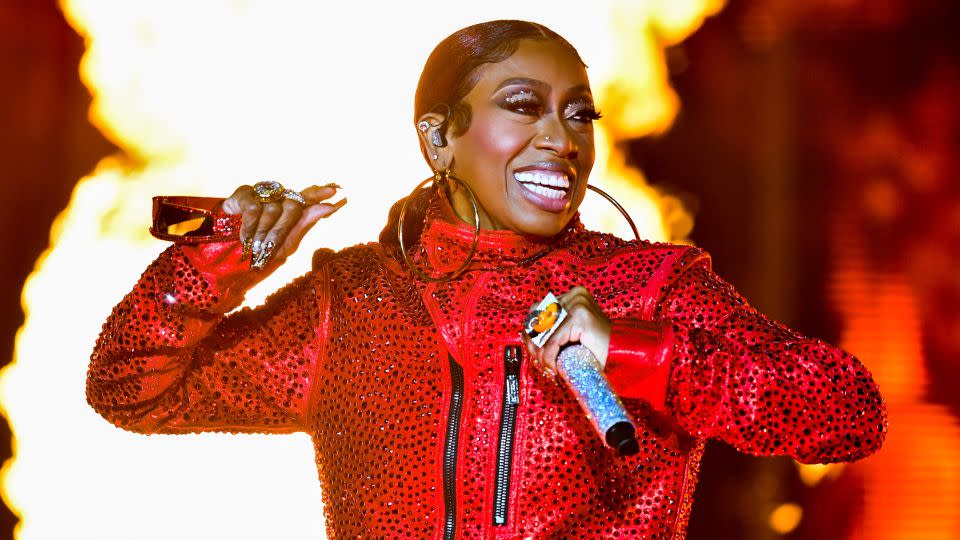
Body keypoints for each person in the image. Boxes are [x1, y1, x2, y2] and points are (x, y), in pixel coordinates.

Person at [86, 20, 887, 539]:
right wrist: (220, 255)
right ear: (439, 138)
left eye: (578, 114)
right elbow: (130, 389)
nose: (561, 139)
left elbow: (846, 416)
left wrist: (643, 354)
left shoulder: (651, 286)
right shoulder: (354, 303)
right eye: (523, 106)